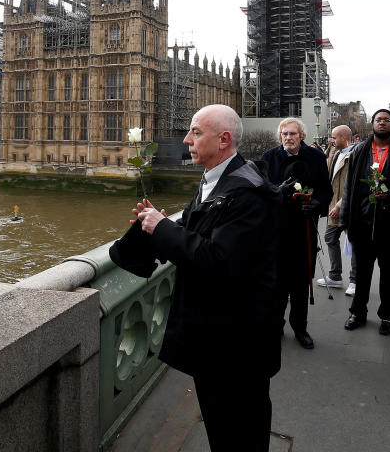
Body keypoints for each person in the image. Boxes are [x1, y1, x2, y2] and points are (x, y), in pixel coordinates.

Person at [109, 104, 282, 451]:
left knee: (239, 430)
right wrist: (152, 230)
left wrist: (162, 228)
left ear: (224, 139)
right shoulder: (216, 180)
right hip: (217, 337)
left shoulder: (247, 193)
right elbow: (195, 231)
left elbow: (219, 261)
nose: (186, 138)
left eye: (195, 132)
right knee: (222, 428)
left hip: (237, 346)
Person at [340, 109, 390, 335]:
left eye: (387, 120)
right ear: (372, 124)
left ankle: (388, 315)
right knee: (362, 272)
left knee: (387, 273)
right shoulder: (359, 151)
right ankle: (358, 312)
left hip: (389, 225)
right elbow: (349, 187)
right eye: (378, 120)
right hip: (362, 222)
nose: (382, 123)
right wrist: (346, 219)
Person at [260, 117, 332, 350]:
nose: (288, 138)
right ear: (280, 136)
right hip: (276, 230)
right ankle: (276, 324)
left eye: (292, 134)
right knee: (277, 282)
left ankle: (300, 327)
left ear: (301, 135)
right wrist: (276, 193)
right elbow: (260, 192)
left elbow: (326, 191)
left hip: (304, 229)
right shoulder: (269, 158)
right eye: (284, 134)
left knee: (301, 282)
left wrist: (317, 204)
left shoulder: (316, 158)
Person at [317, 124, 357, 297]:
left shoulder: (354, 155)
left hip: (346, 206)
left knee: (354, 241)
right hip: (333, 204)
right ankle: (335, 276)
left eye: (334, 137)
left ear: (343, 138)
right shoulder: (335, 153)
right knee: (330, 237)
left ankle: (355, 281)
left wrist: (340, 205)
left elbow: (352, 184)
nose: (331, 140)